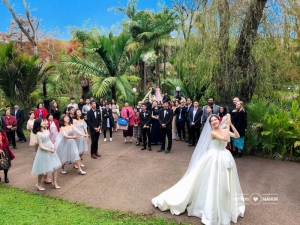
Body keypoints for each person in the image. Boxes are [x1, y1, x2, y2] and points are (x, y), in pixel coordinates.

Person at [152, 115, 245, 225]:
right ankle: (211, 205)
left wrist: (231, 125)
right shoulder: (213, 133)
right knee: (213, 180)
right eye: (212, 121)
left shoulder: (224, 130)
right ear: (210, 124)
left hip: (225, 158)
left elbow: (237, 135)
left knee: (225, 182)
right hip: (215, 158)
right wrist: (228, 125)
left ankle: (223, 204)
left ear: (219, 121)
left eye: (215, 120)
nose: (214, 122)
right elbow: (225, 138)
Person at [31, 119, 61, 190]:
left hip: (50, 149)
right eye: (42, 121)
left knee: (55, 167)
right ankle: (39, 184)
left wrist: (53, 146)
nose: (44, 122)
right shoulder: (38, 134)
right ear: (39, 124)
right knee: (42, 168)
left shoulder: (46, 130)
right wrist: (49, 150)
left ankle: (55, 182)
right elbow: (40, 146)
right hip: (43, 151)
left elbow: (49, 140)